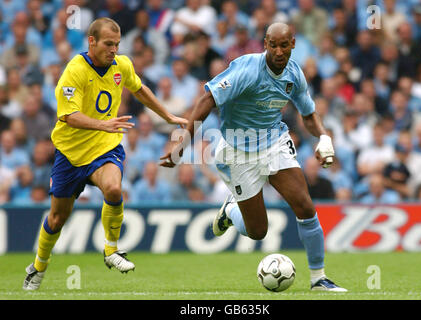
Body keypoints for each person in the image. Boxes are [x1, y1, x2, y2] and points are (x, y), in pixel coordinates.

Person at [160, 22, 346, 292]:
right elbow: (206, 100)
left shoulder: (295, 73)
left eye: (284, 45)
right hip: (239, 151)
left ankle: (319, 278)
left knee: (305, 206)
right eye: (273, 45)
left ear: (293, 44)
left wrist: (325, 138)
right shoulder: (246, 69)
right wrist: (181, 145)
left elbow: (308, 113)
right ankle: (230, 210)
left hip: (274, 143)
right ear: (265, 44)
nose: (279, 51)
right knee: (258, 231)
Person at [23, 18, 187, 291]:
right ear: (92, 41)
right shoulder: (74, 71)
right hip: (71, 153)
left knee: (113, 189)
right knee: (57, 218)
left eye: (117, 44)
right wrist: (103, 123)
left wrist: (166, 115)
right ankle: (39, 265)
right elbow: (68, 115)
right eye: (108, 44)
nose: (113, 49)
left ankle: (111, 250)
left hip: (105, 147)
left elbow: (140, 88)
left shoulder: (121, 65)